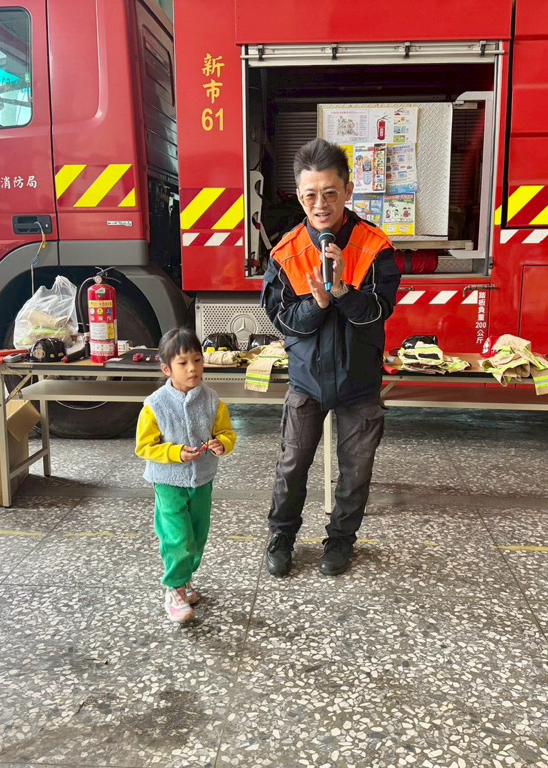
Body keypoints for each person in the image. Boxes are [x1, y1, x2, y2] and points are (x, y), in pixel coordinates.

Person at [260, 138, 401, 577]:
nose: (320, 205)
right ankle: (282, 536)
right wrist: (318, 303)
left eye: (330, 193)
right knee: (291, 466)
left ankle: (340, 541)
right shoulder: (286, 252)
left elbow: (378, 312)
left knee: (355, 472)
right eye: (310, 196)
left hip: (360, 383)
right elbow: (283, 320)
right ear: (299, 196)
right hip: (306, 381)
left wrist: (341, 290)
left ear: (348, 190)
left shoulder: (375, 246)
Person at [136, 328, 237, 623]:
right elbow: (144, 447)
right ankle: (174, 588)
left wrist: (222, 444)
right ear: (167, 369)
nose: (192, 368)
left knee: (197, 535)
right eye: (183, 363)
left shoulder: (212, 400)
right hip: (168, 482)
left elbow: (227, 433)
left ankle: (185, 579)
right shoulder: (155, 405)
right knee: (177, 537)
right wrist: (175, 453)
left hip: (202, 480)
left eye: (197, 360)